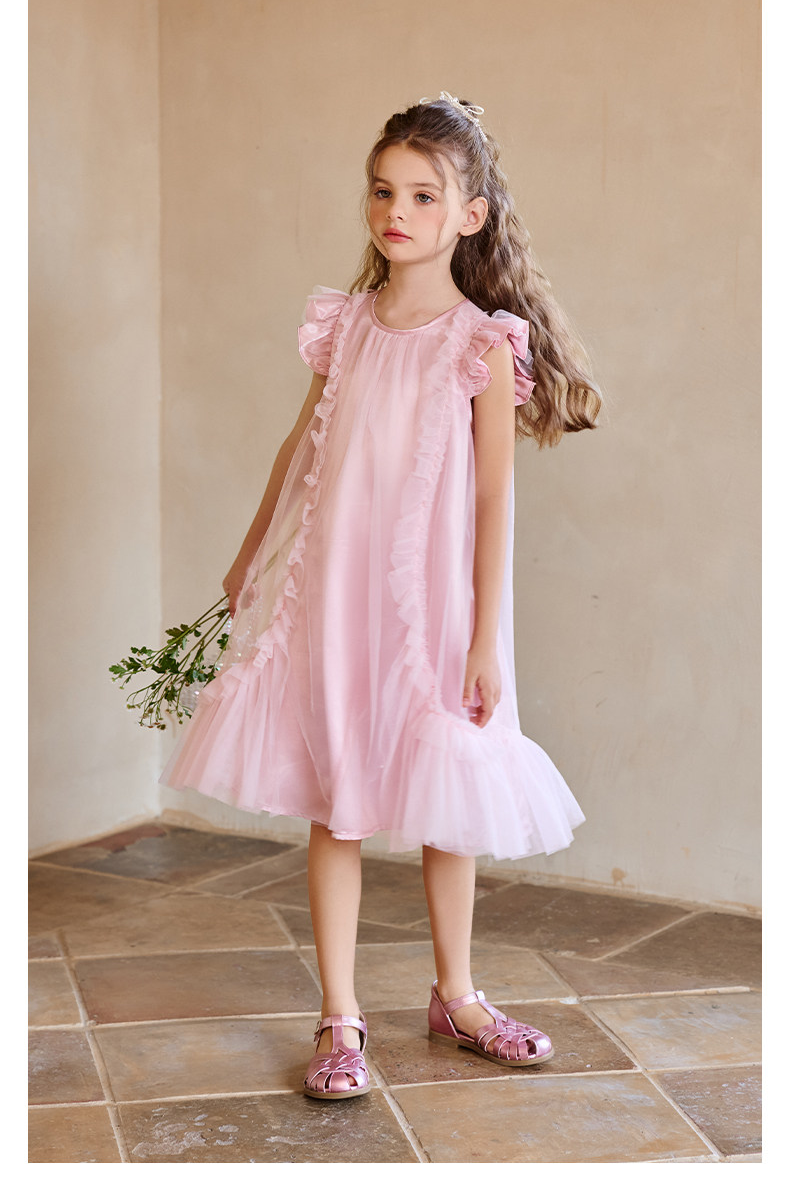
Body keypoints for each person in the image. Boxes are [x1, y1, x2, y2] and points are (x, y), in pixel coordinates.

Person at [161, 93, 602, 1100]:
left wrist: (483, 635)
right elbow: (301, 446)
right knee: (339, 795)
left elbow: (492, 496)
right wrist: (250, 553)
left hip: (438, 603)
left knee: (447, 795)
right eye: (381, 191)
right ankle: (340, 1014)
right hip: (335, 589)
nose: (395, 211)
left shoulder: (481, 343)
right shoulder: (347, 325)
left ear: (470, 215)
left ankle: (459, 996)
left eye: (422, 195)